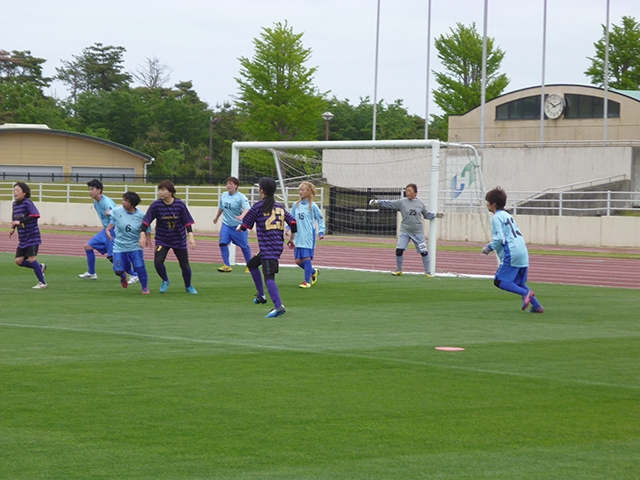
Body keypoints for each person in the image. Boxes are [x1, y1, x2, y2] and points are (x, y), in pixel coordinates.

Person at [238, 177, 297, 318]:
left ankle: (278, 306)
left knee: (269, 278)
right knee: (252, 264)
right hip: (274, 246)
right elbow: (293, 222)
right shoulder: (279, 206)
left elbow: (246, 225)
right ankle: (261, 296)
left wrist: (239, 227)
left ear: (262, 190)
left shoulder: (258, 206)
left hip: (268, 247)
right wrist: (291, 239)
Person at [482, 186, 544, 313]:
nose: (486, 204)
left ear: (493, 204)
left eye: (487, 201)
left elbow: (499, 238)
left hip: (512, 251)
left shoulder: (496, 217)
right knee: (518, 282)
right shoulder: (507, 215)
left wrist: (488, 248)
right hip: (522, 250)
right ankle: (537, 306)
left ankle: (525, 294)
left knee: (499, 281)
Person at [139, 180, 198, 294]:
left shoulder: (179, 204)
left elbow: (187, 222)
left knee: (184, 265)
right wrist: (142, 236)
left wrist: (191, 238)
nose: (160, 192)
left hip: (179, 239)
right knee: (158, 262)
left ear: (170, 192)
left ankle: (188, 286)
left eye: (162, 190)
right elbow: (146, 221)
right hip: (162, 239)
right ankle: (165, 280)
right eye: (159, 190)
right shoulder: (156, 205)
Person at [369, 183, 437, 277]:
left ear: (415, 193)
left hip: (418, 232)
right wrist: (378, 202)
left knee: (424, 252)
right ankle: (399, 270)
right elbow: (390, 203)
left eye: (410, 191)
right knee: (399, 250)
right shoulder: (402, 202)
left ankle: (428, 272)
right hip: (405, 231)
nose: (407, 193)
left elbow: (426, 215)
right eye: (406, 191)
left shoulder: (420, 204)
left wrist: (433, 216)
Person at [79, 179, 138, 284]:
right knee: (88, 246)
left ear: (99, 190)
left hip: (113, 230)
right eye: (89, 189)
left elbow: (116, 215)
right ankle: (92, 273)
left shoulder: (106, 202)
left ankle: (133, 274)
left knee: (113, 256)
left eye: (92, 189)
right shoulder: (96, 202)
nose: (90, 192)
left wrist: (109, 227)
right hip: (106, 230)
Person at [106, 191, 151, 294]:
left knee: (139, 267)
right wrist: (108, 229)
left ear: (132, 203)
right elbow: (112, 216)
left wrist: (147, 239)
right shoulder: (117, 211)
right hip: (119, 247)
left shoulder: (141, 215)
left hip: (135, 246)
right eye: (123, 200)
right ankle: (122, 276)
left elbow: (147, 227)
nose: (123, 202)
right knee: (118, 270)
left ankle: (144, 287)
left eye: (126, 201)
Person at [9, 182, 47, 289]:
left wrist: (20, 223)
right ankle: (40, 267)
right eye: (14, 190)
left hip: (32, 236)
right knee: (18, 261)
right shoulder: (15, 204)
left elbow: (36, 215)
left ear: (24, 193)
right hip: (23, 238)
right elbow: (15, 220)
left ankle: (42, 283)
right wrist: (13, 228)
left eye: (17, 190)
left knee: (31, 259)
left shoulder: (28, 203)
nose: (15, 193)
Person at [289, 181, 325, 288]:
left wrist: (321, 231)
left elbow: (320, 219)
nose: (300, 192)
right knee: (297, 261)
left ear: (308, 192)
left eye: (302, 190)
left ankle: (306, 281)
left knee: (306, 258)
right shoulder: (295, 205)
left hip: (308, 236)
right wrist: (288, 228)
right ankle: (313, 271)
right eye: (299, 190)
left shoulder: (313, 206)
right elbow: (291, 219)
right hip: (298, 236)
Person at [213, 176, 252, 273]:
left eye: (231, 184)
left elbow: (247, 209)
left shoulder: (241, 197)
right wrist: (216, 217)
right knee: (222, 243)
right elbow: (221, 207)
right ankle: (227, 265)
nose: (228, 186)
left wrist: (241, 217)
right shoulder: (224, 195)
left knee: (244, 246)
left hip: (238, 226)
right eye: (227, 184)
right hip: (226, 224)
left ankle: (250, 265)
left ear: (236, 186)